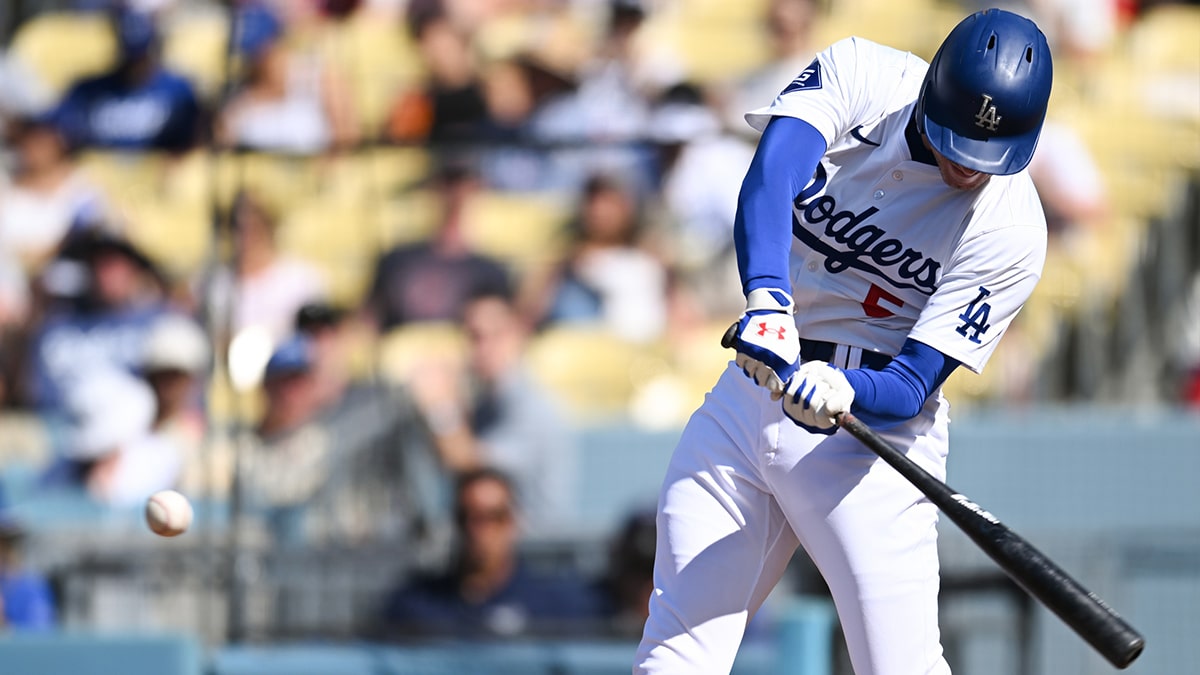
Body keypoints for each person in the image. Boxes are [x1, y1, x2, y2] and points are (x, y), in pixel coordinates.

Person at [634, 9, 1053, 675]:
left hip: (870, 441)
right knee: (676, 651)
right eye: (958, 144)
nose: (970, 168)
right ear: (932, 96)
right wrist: (768, 298)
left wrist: (847, 386)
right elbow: (773, 173)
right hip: (754, 386)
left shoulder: (1013, 229)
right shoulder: (864, 72)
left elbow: (914, 382)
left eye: (987, 156)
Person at [405, 289, 578, 533]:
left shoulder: (532, 407)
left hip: (535, 556)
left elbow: (468, 464)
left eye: (495, 335)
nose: (483, 348)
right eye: (474, 337)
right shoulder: (485, 402)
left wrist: (440, 407)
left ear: (518, 335)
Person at [379, 467, 604, 639]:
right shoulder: (415, 606)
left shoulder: (555, 607)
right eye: (467, 516)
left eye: (494, 516)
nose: (478, 529)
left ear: (514, 522)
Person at [51, 8, 202, 153]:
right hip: (96, 174)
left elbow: (192, 142)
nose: (135, 65)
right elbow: (54, 131)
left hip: (160, 175)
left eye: (141, 57)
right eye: (130, 57)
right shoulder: (88, 90)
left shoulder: (178, 89)